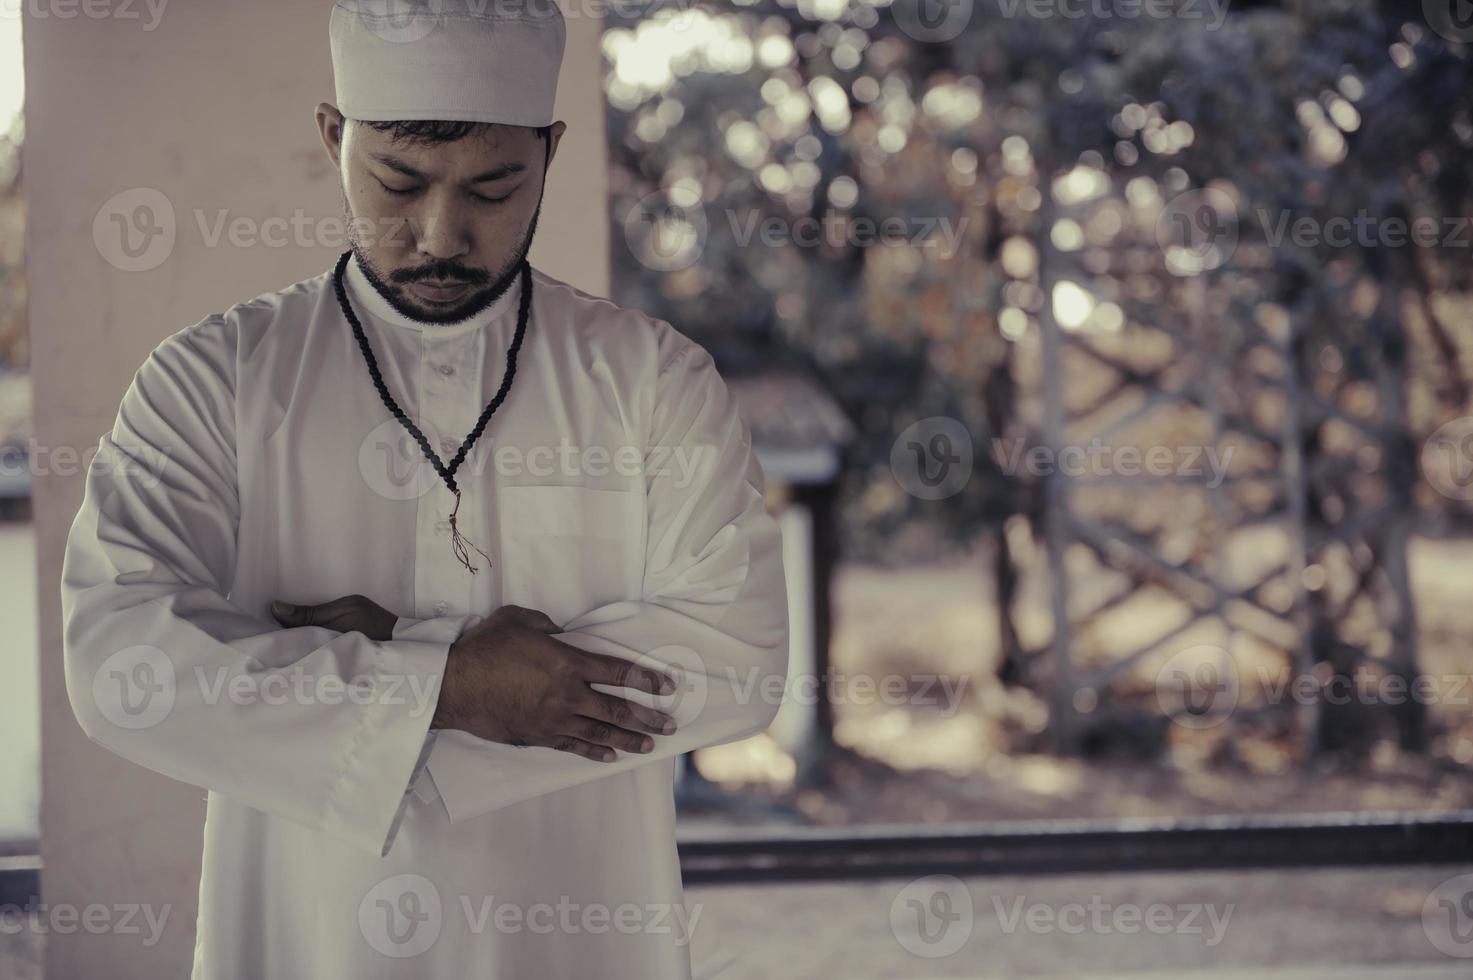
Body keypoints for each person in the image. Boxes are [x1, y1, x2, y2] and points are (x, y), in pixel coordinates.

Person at [59, 2, 789, 977]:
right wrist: (453, 683)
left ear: (550, 150)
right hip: (309, 931)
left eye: (494, 187)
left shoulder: (651, 380)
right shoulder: (214, 379)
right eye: (398, 182)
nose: (442, 234)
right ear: (333, 137)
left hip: (576, 927)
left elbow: (738, 655)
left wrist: (383, 673)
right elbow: (121, 663)